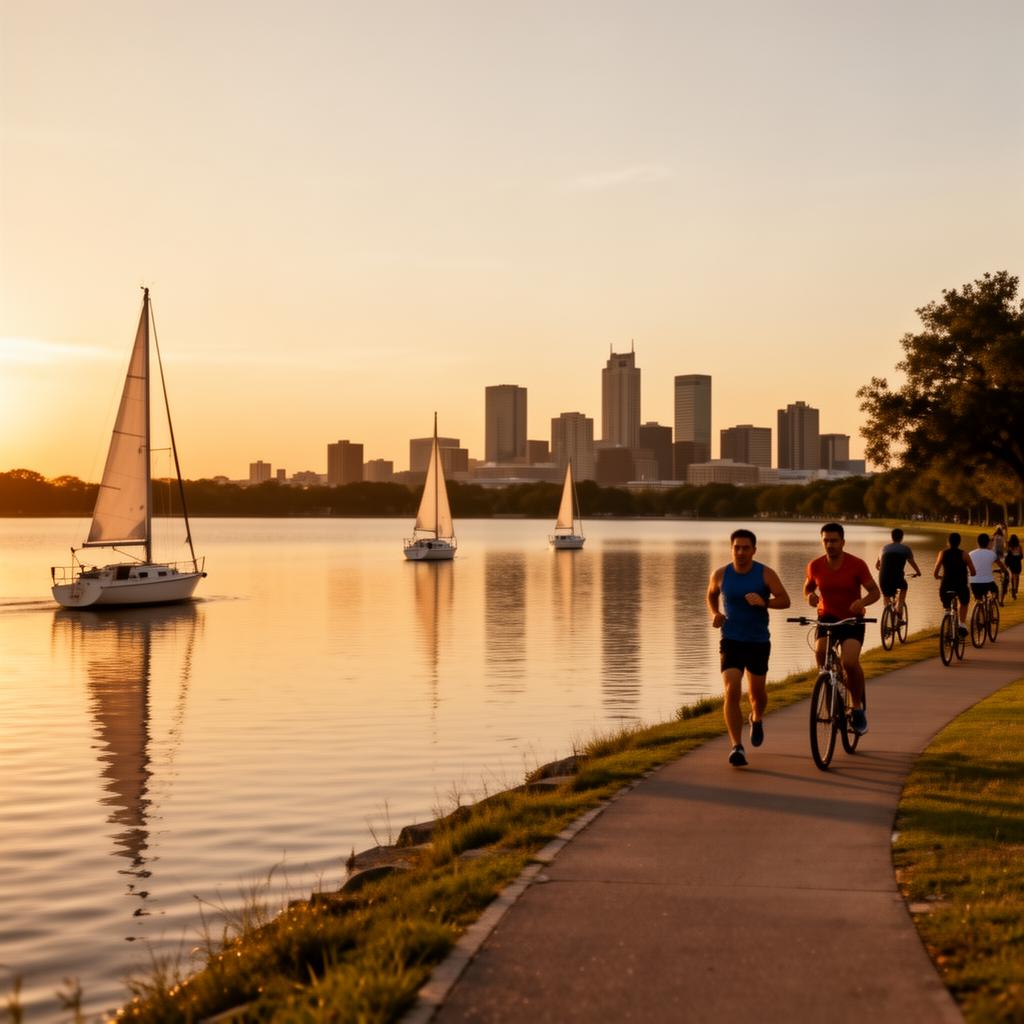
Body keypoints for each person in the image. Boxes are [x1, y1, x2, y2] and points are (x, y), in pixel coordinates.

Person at [707, 529, 791, 767]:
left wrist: (764, 602)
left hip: (758, 641)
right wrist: (715, 613)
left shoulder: (765, 574)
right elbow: (711, 595)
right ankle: (737, 746)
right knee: (731, 689)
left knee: (757, 695)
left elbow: (785, 600)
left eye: (746, 548)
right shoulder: (721, 574)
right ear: (731, 549)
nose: (741, 552)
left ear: (754, 550)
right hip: (731, 640)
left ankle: (757, 718)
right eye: (737, 547)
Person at [803, 523, 880, 735]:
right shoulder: (815, 565)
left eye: (834, 540)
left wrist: (862, 602)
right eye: (826, 540)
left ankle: (856, 707)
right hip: (826, 617)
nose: (830, 545)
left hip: (851, 620)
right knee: (821, 653)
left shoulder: (857, 564)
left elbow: (875, 592)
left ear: (843, 542)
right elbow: (808, 587)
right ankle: (831, 683)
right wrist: (809, 596)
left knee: (850, 662)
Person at [933, 533, 974, 637]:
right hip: (960, 585)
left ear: (948, 542)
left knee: (947, 607)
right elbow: (973, 571)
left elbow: (935, 573)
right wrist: (969, 574)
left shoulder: (942, 553)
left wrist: (939, 577)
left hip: (946, 585)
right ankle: (961, 624)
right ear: (959, 542)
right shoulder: (964, 554)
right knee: (964, 602)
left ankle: (947, 616)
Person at [874, 527, 922, 618]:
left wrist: (885, 570)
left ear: (891, 537)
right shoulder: (905, 549)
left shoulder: (883, 548)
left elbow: (877, 566)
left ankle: (888, 614)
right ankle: (899, 609)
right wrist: (918, 572)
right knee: (904, 587)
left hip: (883, 578)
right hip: (897, 577)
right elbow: (912, 563)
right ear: (902, 537)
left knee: (886, 595)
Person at [968, 533, 1006, 607]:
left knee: (978, 599)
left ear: (977, 543)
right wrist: (1004, 571)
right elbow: (1002, 567)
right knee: (995, 590)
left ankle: (978, 612)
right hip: (988, 583)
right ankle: (993, 601)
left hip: (973, 582)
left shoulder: (970, 554)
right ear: (988, 542)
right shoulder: (992, 554)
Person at [1005, 534, 1022, 600]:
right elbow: (1021, 555)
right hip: (1017, 562)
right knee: (1017, 576)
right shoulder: (1019, 546)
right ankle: (1015, 589)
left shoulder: (1009, 546)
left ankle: (1013, 588)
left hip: (1011, 562)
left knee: (1012, 575)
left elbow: (1006, 554)